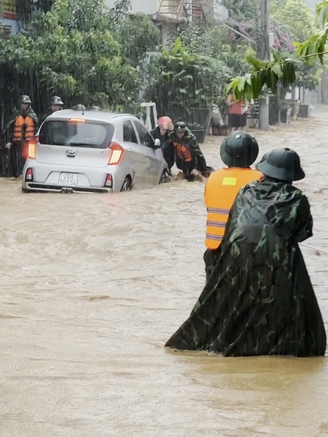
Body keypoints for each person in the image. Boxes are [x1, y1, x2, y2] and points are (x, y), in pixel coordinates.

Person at [165, 148, 326, 357]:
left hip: (235, 255)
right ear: (291, 175)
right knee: (284, 302)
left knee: (232, 302)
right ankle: (274, 347)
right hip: (275, 259)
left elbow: (233, 225)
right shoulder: (297, 199)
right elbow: (303, 233)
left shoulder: (245, 191)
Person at [204, 130, 263, 281]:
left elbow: (209, 206)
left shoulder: (213, 177)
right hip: (246, 252)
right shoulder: (259, 178)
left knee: (216, 300)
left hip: (215, 252)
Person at [3, 95, 38, 178]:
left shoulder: (33, 116)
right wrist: (8, 141)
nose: (24, 105)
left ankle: (26, 175)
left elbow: (37, 130)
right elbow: (9, 129)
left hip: (29, 143)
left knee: (27, 160)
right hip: (17, 142)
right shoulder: (15, 115)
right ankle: (16, 175)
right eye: (23, 104)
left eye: (26, 104)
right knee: (16, 160)